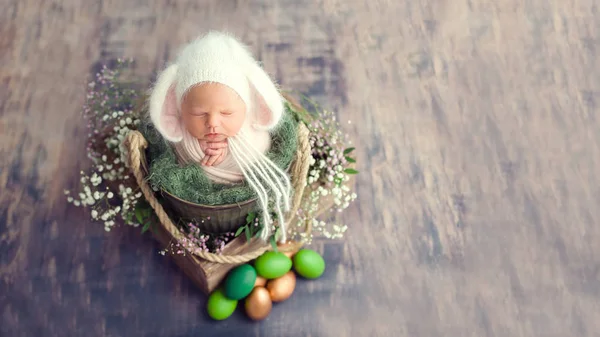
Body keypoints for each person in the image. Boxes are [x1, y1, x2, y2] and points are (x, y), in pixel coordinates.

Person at [147, 30, 292, 242]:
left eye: (227, 113)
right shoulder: (179, 137)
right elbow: (179, 155)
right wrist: (199, 152)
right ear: (178, 110)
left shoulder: (253, 129)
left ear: (247, 108)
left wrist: (230, 150)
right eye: (199, 113)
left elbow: (259, 151)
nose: (213, 123)